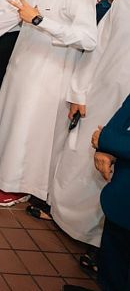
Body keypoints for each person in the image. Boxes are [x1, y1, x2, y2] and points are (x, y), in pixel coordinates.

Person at [0, 0, 97, 208]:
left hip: (49, 76)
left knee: (31, 132)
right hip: (21, 68)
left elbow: (88, 39)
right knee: (10, 124)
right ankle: (3, 175)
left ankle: (21, 186)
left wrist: (39, 19)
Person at [47, 0, 130, 271]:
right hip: (103, 94)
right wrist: (79, 92)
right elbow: (97, 49)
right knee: (83, 159)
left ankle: (101, 244)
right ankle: (72, 221)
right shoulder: (123, 5)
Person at [86, 93, 130, 291]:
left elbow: (105, 137)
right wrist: (106, 146)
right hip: (121, 194)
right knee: (113, 266)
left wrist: (107, 140)